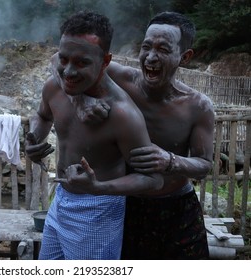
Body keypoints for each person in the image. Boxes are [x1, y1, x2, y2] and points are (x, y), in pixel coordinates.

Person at [59, 11, 215, 259]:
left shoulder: (197, 106)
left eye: (163, 49)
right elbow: (61, 63)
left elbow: (205, 164)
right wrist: (78, 100)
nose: (151, 57)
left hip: (176, 209)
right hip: (123, 205)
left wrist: (171, 160)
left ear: (184, 57)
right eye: (146, 47)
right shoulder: (120, 79)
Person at [25, 11, 163, 260]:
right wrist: (35, 138)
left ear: (105, 61)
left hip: (99, 211)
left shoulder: (122, 114)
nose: (68, 71)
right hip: (60, 201)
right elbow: (43, 116)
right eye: (64, 59)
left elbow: (153, 179)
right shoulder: (54, 87)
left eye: (81, 63)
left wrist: (99, 187)